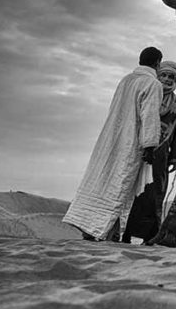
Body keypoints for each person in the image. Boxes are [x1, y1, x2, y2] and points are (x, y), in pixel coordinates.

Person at [63, 47, 164, 241]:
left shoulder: (125, 80)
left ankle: (93, 227)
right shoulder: (152, 83)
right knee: (122, 186)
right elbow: (149, 116)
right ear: (158, 63)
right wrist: (150, 145)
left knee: (104, 182)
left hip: (109, 139)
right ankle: (105, 231)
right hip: (130, 142)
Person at [122, 60, 176, 243]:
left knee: (154, 194)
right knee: (133, 191)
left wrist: (174, 158)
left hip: (161, 154)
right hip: (139, 149)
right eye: (163, 75)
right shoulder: (149, 94)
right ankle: (124, 234)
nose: (166, 79)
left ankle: (150, 236)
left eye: (171, 77)